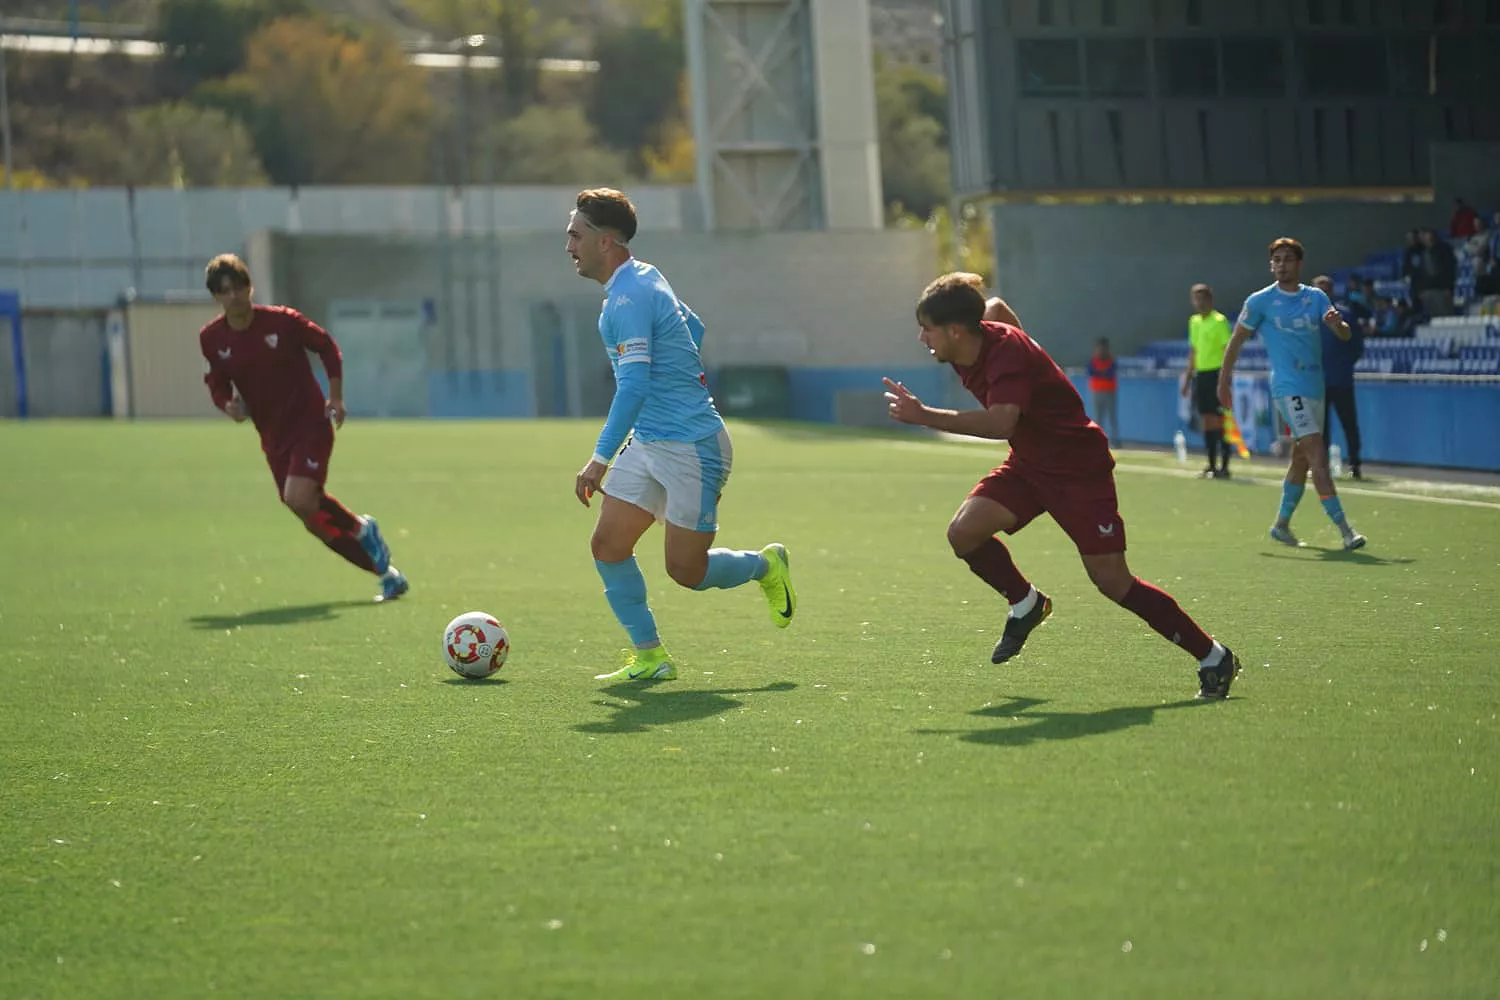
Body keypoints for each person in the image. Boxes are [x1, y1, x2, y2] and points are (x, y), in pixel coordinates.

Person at [882, 271, 1243, 700]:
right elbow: (995, 307)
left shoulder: (1003, 357)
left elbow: (1001, 422)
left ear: (956, 330)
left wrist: (925, 416)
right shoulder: (976, 332)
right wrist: (959, 284)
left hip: (1077, 470)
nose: (922, 338)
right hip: (1031, 464)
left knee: (1112, 581)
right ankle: (1026, 602)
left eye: (927, 328)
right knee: (964, 532)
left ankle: (1213, 656)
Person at [565, 187, 795, 682]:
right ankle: (651, 656)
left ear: (605, 242)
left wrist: (599, 459)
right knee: (608, 545)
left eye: (576, 234)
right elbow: (695, 326)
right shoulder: (646, 276)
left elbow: (633, 386)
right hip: (651, 441)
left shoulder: (628, 297)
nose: (569, 245)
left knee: (686, 572)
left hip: (692, 447)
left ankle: (765, 566)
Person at [198, 254, 408, 601]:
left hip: (310, 421)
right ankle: (385, 571)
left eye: (238, 288)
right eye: (224, 292)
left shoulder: (282, 322)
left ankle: (361, 529)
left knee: (298, 497)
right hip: (273, 435)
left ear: (250, 287)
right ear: (215, 298)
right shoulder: (211, 339)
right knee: (309, 514)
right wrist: (228, 405)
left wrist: (335, 398)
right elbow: (217, 381)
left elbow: (327, 348)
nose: (233, 297)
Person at [1218, 239, 1367, 551]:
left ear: (1299, 264)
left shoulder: (1315, 297)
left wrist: (1338, 325)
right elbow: (1236, 340)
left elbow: (1344, 334)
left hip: (1316, 386)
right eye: (1276, 259)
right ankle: (1345, 530)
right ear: (1271, 265)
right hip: (1287, 388)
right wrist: (1224, 380)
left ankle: (1281, 525)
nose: (1281, 264)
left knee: (1301, 458)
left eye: (1287, 259)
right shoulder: (1260, 301)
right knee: (1317, 453)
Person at [1312, 274, 1365, 479]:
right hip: (1317, 382)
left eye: (1326, 289)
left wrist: (1345, 364)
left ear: (1332, 292)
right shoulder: (1307, 318)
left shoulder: (1345, 315)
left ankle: (1355, 464)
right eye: (1319, 289)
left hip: (1341, 380)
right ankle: (1320, 466)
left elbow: (1357, 345)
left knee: (1349, 424)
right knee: (1319, 428)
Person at [1182, 283, 1233, 478]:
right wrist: (1187, 378)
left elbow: (1227, 350)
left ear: (1210, 300)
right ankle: (1211, 464)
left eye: (1203, 298)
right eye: (1196, 298)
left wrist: (1226, 379)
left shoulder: (1219, 321)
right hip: (1201, 376)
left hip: (1217, 375)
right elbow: (1193, 351)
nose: (1199, 302)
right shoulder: (1194, 322)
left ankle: (1225, 465)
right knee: (1207, 421)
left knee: (1221, 420)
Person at [1086, 337, 1118, 442]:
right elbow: (1091, 372)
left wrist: (1101, 373)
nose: (1101, 350)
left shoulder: (1111, 360)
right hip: (1097, 392)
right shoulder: (1093, 361)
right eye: (1099, 348)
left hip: (1109, 392)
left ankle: (1114, 440)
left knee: (1111, 418)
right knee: (1098, 417)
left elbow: (1110, 373)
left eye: (1103, 348)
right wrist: (1102, 373)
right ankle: (1097, 440)